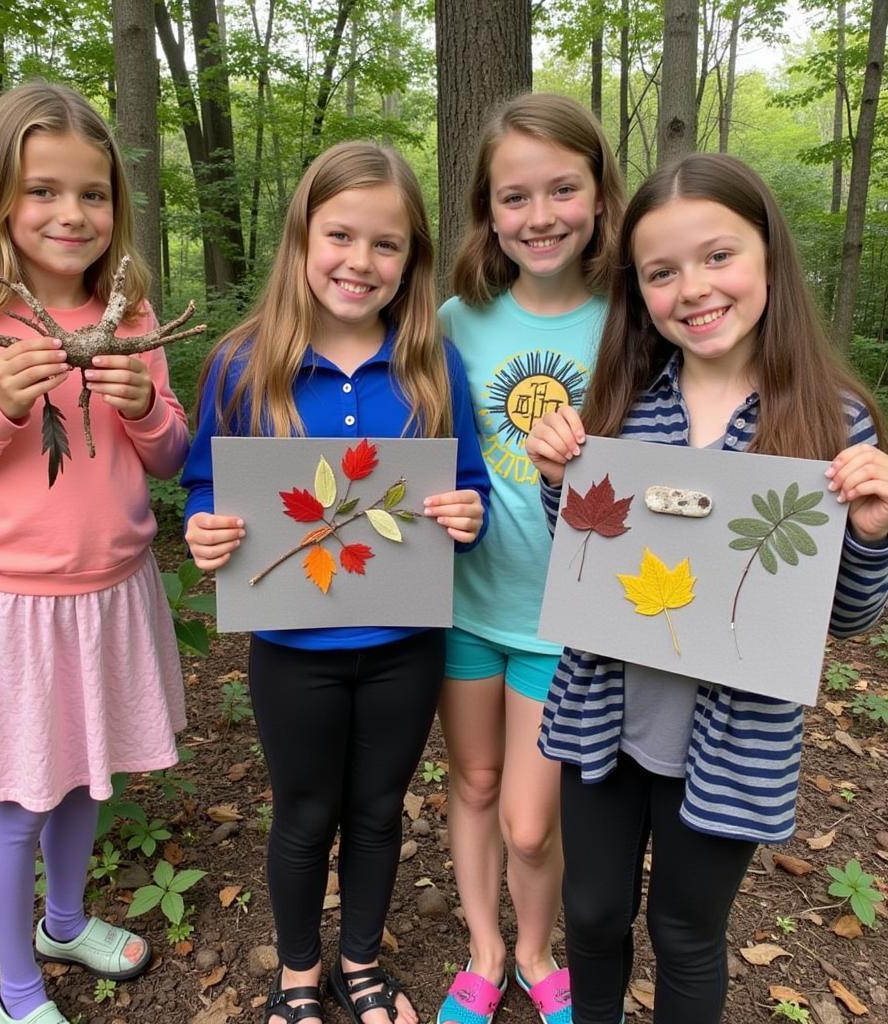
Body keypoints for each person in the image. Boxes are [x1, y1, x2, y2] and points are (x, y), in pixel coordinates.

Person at [525, 152, 888, 1024]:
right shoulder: (620, 401)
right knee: (593, 912)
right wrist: (555, 482)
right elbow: (585, 574)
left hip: (733, 744)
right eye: (662, 271)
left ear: (768, 257)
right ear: (638, 289)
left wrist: (871, 533)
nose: (693, 287)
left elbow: (845, 617)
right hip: (604, 720)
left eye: (718, 256)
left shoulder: (830, 421)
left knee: (686, 933)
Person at [0, 83, 188, 1024]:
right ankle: (17, 992)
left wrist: (143, 408)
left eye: (93, 194)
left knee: (90, 774)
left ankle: (63, 922)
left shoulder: (132, 316)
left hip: (115, 592)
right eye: (44, 190)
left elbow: (173, 454)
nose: (72, 213)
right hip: (15, 605)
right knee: (18, 801)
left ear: (116, 208)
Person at [182, 140, 490, 1024]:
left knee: (379, 809)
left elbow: (467, 488)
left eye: (386, 244)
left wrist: (468, 518)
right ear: (302, 239)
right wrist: (205, 529)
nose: (361, 262)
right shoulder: (246, 365)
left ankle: (362, 964)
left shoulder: (432, 365)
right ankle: (298, 978)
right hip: (293, 646)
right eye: (341, 236)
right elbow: (206, 483)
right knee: (304, 812)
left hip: (405, 642)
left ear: (412, 259)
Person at [435, 93, 624, 1024]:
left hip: (569, 619)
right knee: (471, 784)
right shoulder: (455, 321)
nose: (539, 216)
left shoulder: (633, 320)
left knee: (529, 818)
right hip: (465, 601)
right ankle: (485, 950)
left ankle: (540, 947)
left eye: (562, 189)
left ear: (598, 196)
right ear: (487, 208)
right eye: (515, 197)